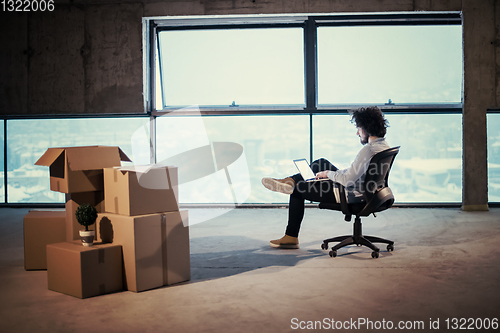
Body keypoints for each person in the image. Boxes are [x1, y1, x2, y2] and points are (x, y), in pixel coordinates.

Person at [261, 106, 390, 249]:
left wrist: (329, 175)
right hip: (364, 192)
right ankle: (288, 181)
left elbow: (348, 180)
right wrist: (332, 173)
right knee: (321, 163)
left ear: (366, 127)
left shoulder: (368, 150)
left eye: (358, 128)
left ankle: (291, 236)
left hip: (349, 193)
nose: (357, 132)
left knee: (298, 189)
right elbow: (357, 172)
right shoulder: (383, 146)